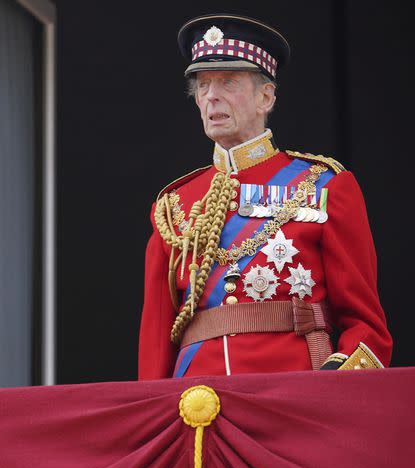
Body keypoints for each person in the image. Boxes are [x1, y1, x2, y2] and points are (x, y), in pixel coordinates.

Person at [138, 14, 392, 379]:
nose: (212, 96)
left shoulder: (324, 186)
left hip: (294, 399)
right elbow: (155, 343)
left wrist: (335, 382)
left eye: (228, 81)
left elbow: (367, 327)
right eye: (203, 84)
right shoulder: (174, 204)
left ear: (266, 96)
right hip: (196, 403)